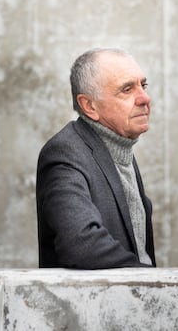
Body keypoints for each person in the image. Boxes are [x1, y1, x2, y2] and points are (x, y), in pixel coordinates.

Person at [36, 48, 156, 269]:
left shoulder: (120, 145)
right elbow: (82, 245)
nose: (144, 98)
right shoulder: (65, 153)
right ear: (89, 106)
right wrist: (153, 281)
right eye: (127, 89)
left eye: (143, 85)